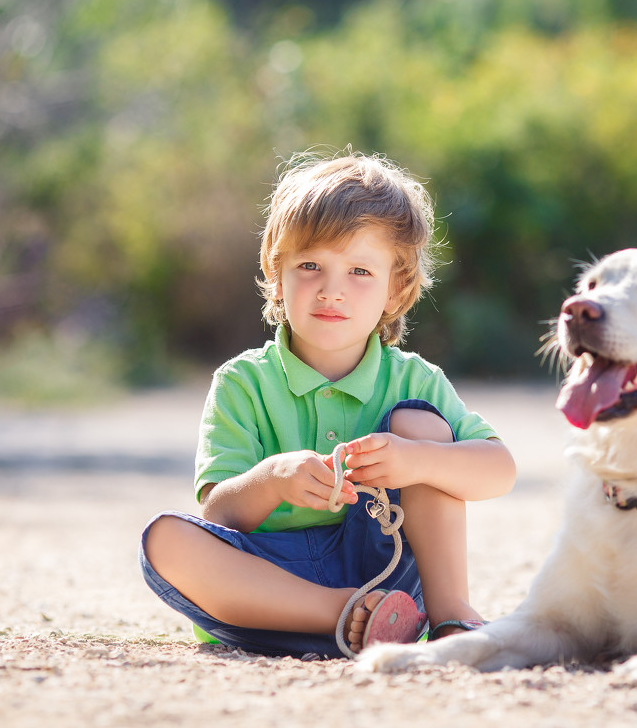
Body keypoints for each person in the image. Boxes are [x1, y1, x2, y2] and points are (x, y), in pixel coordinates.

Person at [140, 151, 516, 658]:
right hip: (273, 594)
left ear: (395, 289)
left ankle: (452, 621)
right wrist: (273, 478)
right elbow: (219, 513)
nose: (332, 290)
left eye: (360, 271)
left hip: (387, 574)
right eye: (310, 265)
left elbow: (499, 470)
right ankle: (344, 615)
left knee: (420, 426)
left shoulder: (413, 379)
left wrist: (416, 460)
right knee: (164, 540)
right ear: (277, 277)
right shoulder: (243, 382)